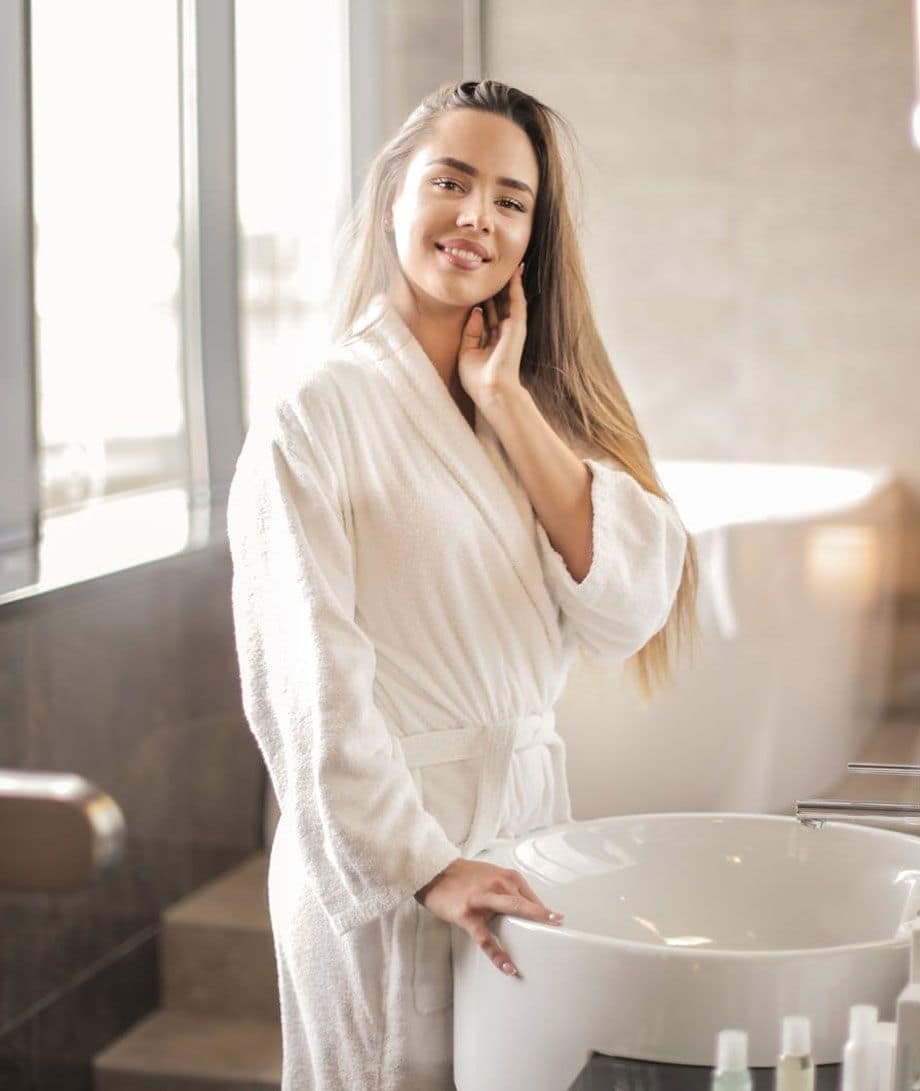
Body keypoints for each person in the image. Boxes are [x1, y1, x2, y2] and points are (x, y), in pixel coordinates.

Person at [227, 79, 698, 1091]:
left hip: (527, 832)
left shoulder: (533, 405)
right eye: (451, 180)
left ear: (532, 236)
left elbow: (625, 610)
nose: (476, 216)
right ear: (395, 193)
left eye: (511, 199)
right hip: (390, 848)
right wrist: (423, 864)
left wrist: (507, 403)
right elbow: (306, 684)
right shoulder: (314, 416)